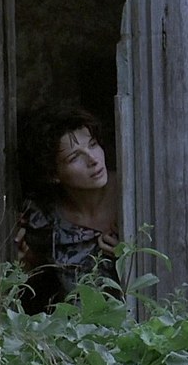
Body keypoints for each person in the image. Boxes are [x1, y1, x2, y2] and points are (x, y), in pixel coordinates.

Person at [15, 103, 120, 314]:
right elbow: (31, 274)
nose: (92, 160)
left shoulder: (132, 196)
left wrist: (128, 255)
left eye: (93, 145)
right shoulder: (43, 217)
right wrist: (22, 261)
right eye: (74, 157)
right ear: (53, 174)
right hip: (77, 329)